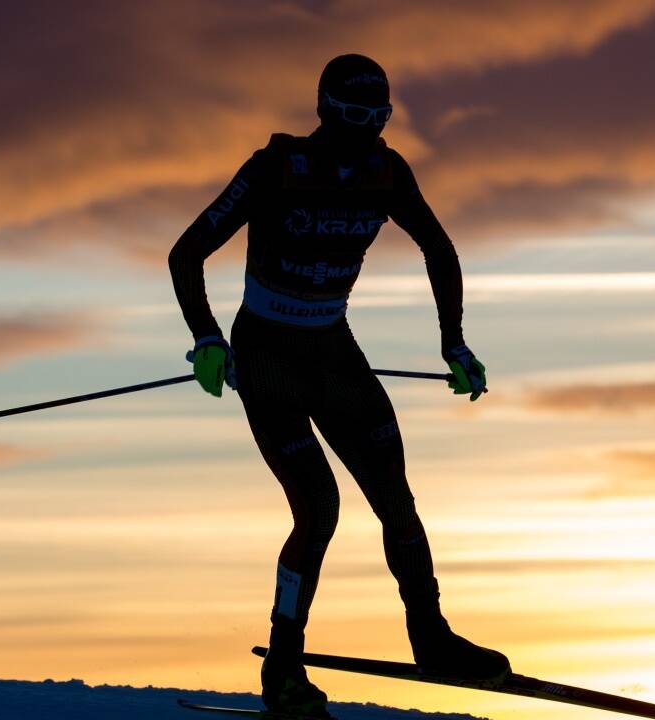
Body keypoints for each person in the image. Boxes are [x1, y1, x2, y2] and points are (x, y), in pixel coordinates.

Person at [168, 53, 509, 719]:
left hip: (332, 351)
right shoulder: (276, 167)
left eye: (380, 117)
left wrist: (455, 342)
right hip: (267, 356)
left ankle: (430, 637)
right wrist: (207, 338)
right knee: (319, 510)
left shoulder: (388, 171)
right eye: (355, 115)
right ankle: (283, 669)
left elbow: (439, 249)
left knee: (397, 501)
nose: (368, 130)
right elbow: (187, 253)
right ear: (325, 110)